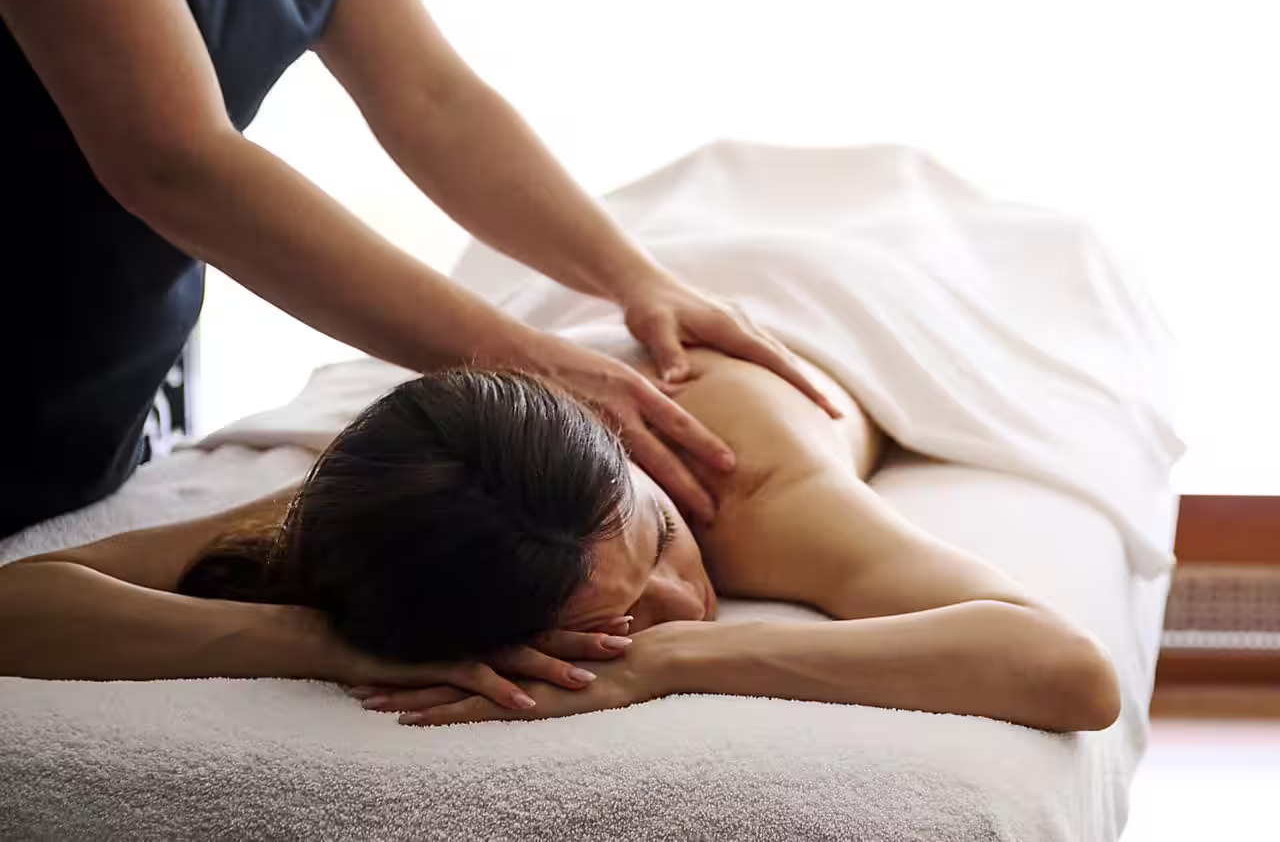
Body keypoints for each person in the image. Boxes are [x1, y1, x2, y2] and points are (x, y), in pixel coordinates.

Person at [2, 0, 837, 540]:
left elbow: (435, 98)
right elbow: (176, 162)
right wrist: (527, 360)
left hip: (110, 359)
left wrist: (636, 277)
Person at [0, 345, 1123, 733]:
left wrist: (670, 665)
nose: (682, 599)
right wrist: (321, 644)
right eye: (619, 624)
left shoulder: (752, 493)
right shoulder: (412, 498)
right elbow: (23, 597)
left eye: (666, 539)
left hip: (815, 285)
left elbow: (1067, 671)